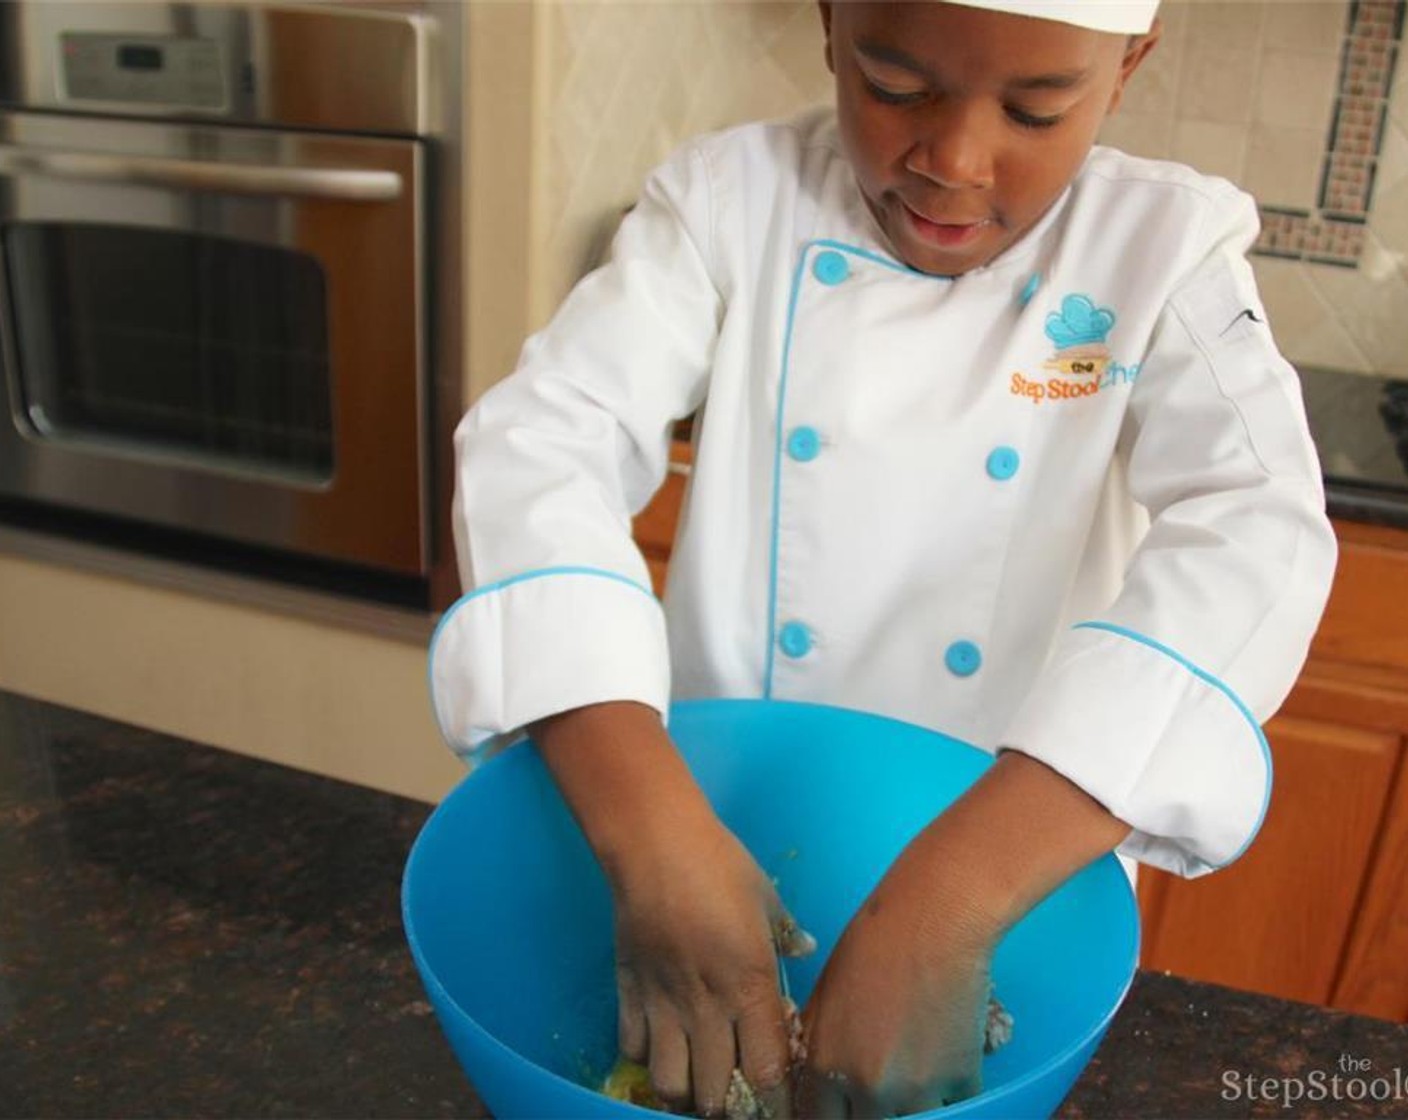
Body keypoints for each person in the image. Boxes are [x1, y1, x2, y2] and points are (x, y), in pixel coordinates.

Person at [428, 1, 1339, 1115]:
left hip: (1010, 888)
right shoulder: (729, 203)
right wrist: (650, 836)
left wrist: (946, 907)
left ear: (1127, 69)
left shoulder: (1161, 251)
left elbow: (1258, 525)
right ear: (827, 25)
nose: (952, 161)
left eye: (1036, 106)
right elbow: (540, 441)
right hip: (712, 833)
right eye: (895, 88)